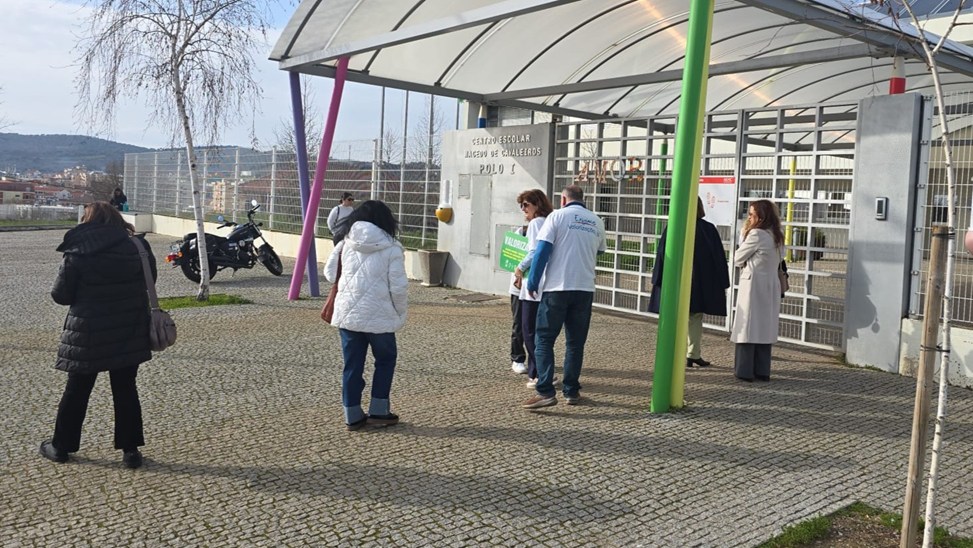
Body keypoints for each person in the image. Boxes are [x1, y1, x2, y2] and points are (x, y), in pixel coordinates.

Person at [40, 201, 155, 469]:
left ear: (87, 220)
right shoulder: (138, 246)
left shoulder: (78, 249)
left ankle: (61, 446)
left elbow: (61, 295)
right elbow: (150, 281)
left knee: (77, 390)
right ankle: (130, 451)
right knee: (126, 389)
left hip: (88, 332)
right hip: (128, 328)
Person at [324, 200, 408, 430]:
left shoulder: (345, 243)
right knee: (385, 361)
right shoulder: (392, 247)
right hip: (381, 317)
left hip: (348, 317)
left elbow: (330, 274)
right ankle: (379, 411)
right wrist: (399, 312)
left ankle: (352, 415)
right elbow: (398, 287)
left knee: (352, 365)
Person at [521, 185, 606, 409]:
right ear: (583, 199)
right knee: (575, 343)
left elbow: (542, 251)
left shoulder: (556, 217)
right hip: (584, 288)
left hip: (557, 288)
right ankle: (571, 391)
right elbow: (599, 251)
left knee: (544, 339)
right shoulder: (597, 221)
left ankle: (545, 391)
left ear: (563, 199)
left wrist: (533, 281)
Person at [648, 196, 730, 368]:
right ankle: (693, 354)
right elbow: (718, 257)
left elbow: (662, 254)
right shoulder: (708, 229)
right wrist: (722, 281)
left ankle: (674, 353)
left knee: (674, 317)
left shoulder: (674, 227)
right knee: (695, 317)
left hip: (675, 280)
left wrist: (657, 279)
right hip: (700, 283)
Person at [730, 199, 784, 382]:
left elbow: (738, 257)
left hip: (753, 285)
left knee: (748, 326)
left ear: (761, 216)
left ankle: (744, 370)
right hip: (770, 284)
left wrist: (744, 234)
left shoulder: (756, 234)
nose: (749, 218)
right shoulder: (776, 235)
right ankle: (762, 370)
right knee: (764, 326)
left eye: (752, 214)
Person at [513, 189, 555, 386]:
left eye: (526, 205)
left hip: (534, 284)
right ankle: (543, 371)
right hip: (547, 283)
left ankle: (539, 373)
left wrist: (519, 268)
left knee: (529, 330)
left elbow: (534, 251)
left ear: (537, 204)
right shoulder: (551, 221)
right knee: (541, 332)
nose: (523, 209)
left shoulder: (537, 223)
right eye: (521, 205)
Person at [508, 223, 528, 375]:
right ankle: (517, 358)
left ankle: (537, 359)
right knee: (519, 323)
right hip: (519, 287)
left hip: (539, 288)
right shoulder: (520, 233)